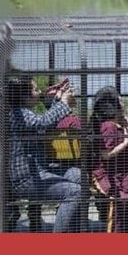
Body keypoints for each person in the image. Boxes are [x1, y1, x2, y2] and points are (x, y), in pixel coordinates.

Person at [7, 74, 82, 232]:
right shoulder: (16, 114)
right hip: (26, 179)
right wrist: (63, 103)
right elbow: (44, 122)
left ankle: (74, 231)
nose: (39, 91)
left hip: (39, 170)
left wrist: (59, 99)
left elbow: (43, 124)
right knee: (74, 191)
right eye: (35, 89)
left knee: (80, 176)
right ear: (23, 95)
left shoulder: (24, 112)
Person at [90, 86, 128, 232]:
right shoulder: (108, 127)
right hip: (108, 173)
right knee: (119, 198)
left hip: (125, 171)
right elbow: (105, 154)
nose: (123, 102)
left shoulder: (122, 124)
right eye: (120, 100)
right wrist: (124, 143)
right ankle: (115, 229)